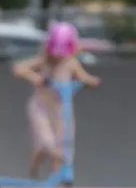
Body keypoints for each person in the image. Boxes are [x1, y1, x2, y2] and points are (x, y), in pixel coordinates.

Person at [12, 21, 100, 179]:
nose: (58, 56)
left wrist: (91, 81)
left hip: (61, 110)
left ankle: (56, 183)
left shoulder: (70, 63)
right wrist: (35, 77)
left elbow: (84, 77)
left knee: (61, 150)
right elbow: (19, 68)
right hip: (41, 108)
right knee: (46, 145)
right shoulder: (43, 61)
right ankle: (33, 168)